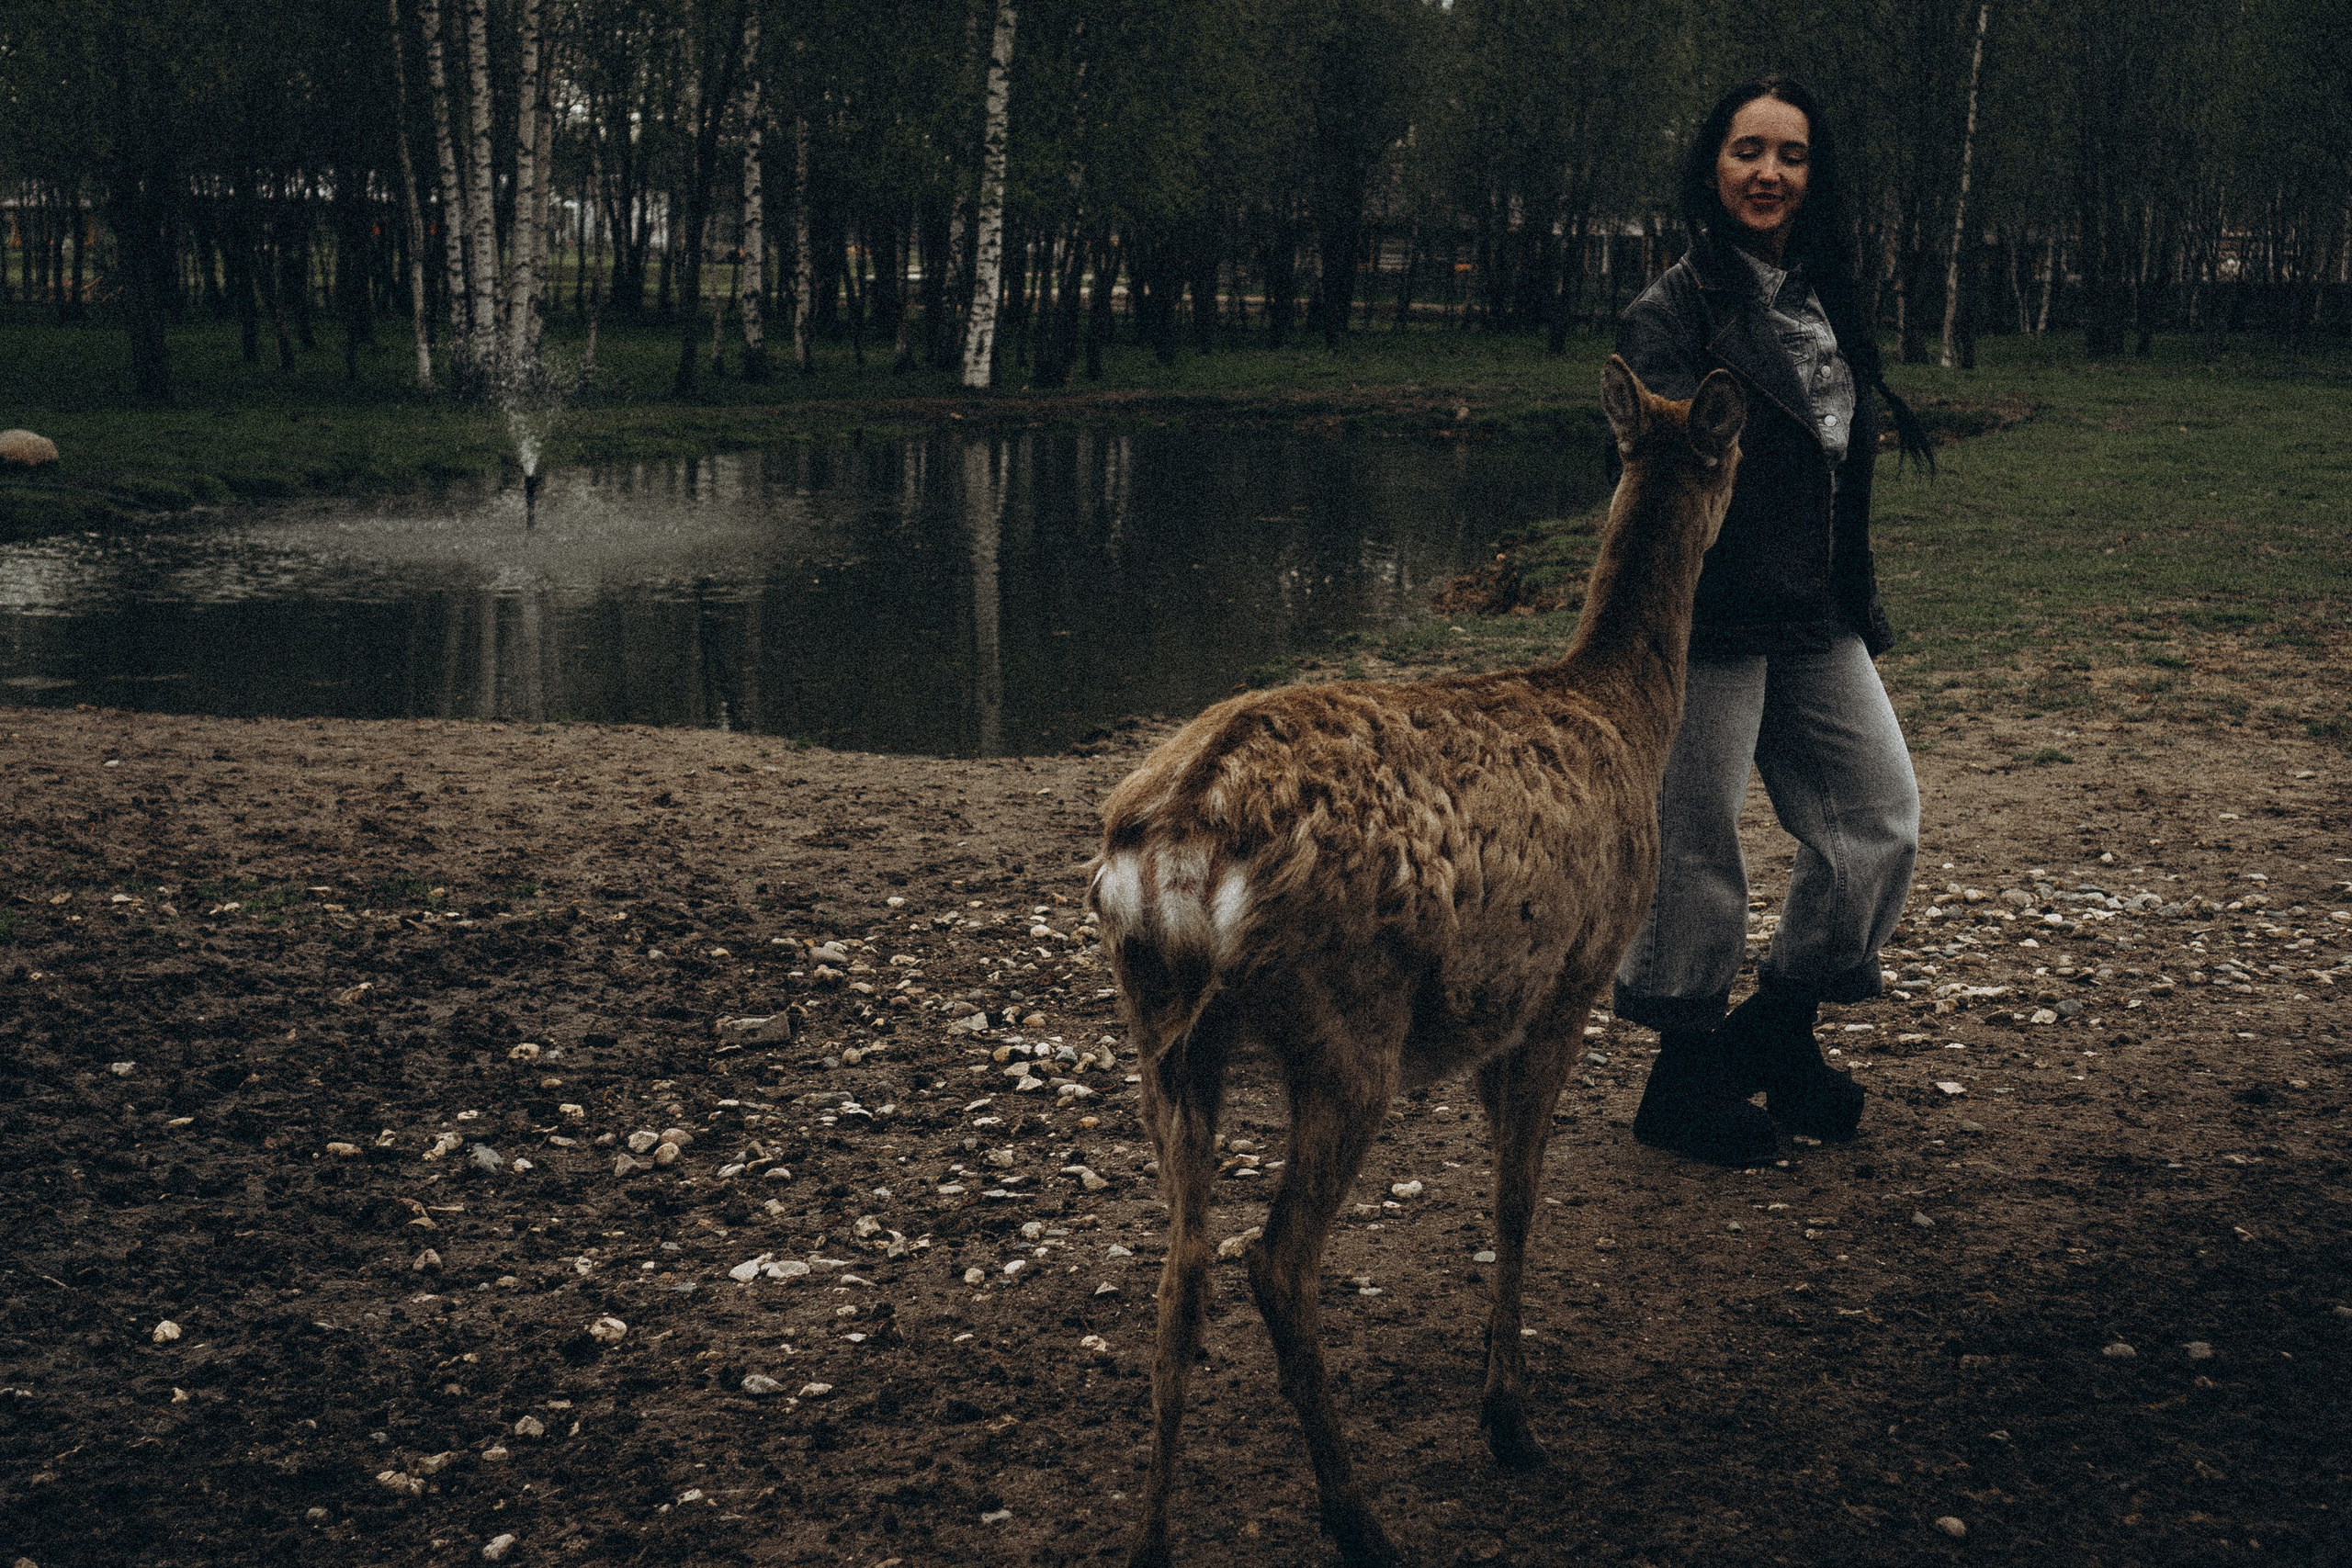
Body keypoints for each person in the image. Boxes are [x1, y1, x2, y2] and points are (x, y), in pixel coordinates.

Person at [1611, 73, 1935, 1166]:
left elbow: (1837, 463)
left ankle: (1776, 1029)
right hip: (1703, 620)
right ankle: (1680, 1080)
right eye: (1748, 150)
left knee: (1877, 820)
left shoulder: (1825, 294)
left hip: (1815, 611)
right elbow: (1660, 476)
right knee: (1695, 852)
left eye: (1790, 155)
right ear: (1713, 166)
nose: (1768, 172)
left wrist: (1850, 590)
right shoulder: (1671, 313)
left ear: (1814, 174)